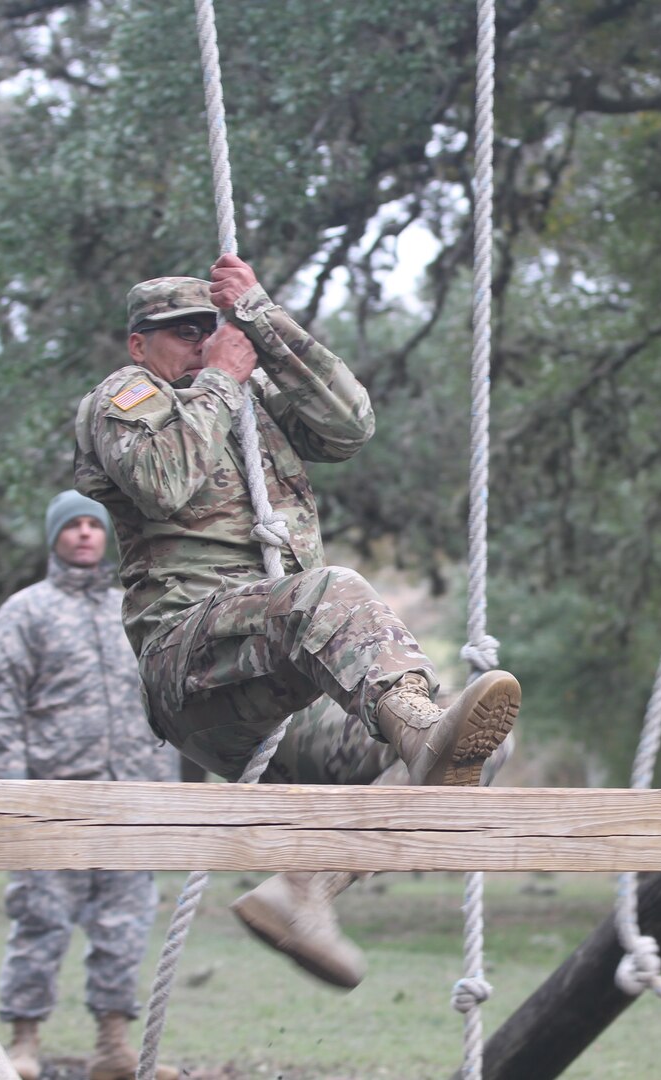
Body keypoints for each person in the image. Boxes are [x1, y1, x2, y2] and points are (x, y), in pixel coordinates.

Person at [73, 253, 521, 990]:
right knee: (329, 592)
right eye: (178, 332)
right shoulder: (126, 397)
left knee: (475, 757)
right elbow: (163, 482)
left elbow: (350, 424)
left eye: (206, 328)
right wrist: (219, 374)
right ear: (138, 344)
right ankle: (410, 720)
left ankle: (306, 886)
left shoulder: (251, 402)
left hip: (274, 681)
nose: (197, 341)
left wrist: (260, 314)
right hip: (190, 662)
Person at [0, 490, 179, 1080]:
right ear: (55, 536)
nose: (86, 534)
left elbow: (163, 704)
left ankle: (114, 1050)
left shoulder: (134, 611)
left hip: (131, 798)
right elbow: (0, 710)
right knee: (39, 919)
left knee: (126, 924)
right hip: (51, 799)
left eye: (95, 525)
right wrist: (12, 796)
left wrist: (165, 785)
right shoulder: (24, 613)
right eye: (75, 526)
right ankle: (24, 1044)